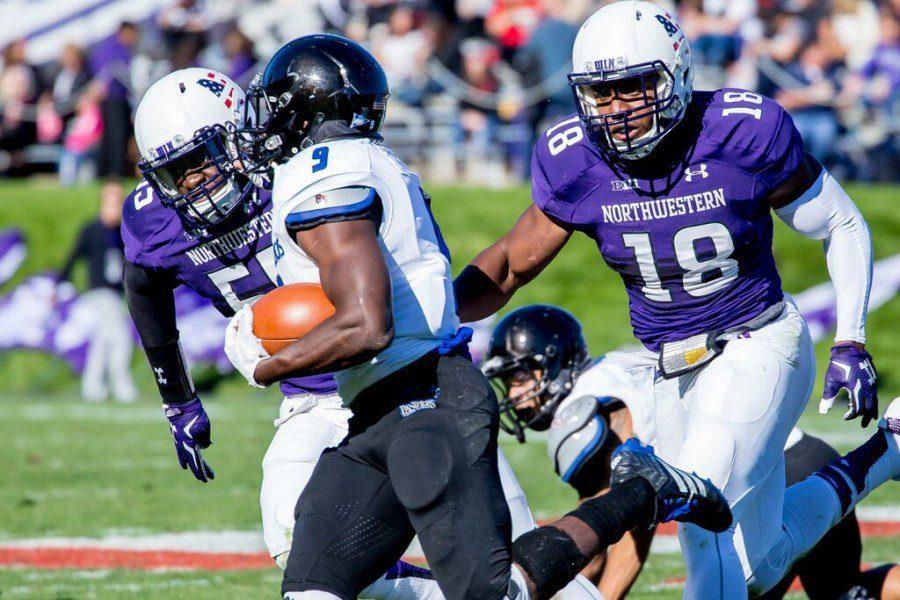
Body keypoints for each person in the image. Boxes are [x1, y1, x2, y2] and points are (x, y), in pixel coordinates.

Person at [224, 33, 732, 600]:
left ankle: (639, 492)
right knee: (313, 590)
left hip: (426, 408)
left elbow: (367, 325)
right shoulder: (365, 161)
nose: (265, 117)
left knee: (495, 596)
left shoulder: (321, 175)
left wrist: (268, 364)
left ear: (305, 109)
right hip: (374, 411)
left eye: (275, 101)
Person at [452, 2, 898, 598]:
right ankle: (886, 452)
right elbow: (508, 265)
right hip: (673, 368)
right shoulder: (575, 159)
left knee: (694, 511)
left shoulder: (741, 132)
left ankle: (543, 569)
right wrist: (426, 320)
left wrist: (851, 338)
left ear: (675, 74)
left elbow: (840, 223)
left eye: (632, 87)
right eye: (600, 93)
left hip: (757, 341)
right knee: (756, 565)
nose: (617, 109)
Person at [121, 67, 435, 599]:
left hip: (394, 373)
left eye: (200, 160)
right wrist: (179, 399)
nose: (193, 182)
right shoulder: (154, 220)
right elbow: (143, 283)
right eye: (177, 173)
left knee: (489, 550)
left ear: (237, 136)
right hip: (308, 397)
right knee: (296, 541)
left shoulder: (304, 168)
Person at [484, 304, 900, 600]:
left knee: (743, 580)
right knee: (849, 592)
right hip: (799, 454)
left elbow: (625, 526)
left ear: (554, 363)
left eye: (520, 377)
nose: (516, 395)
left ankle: (886, 451)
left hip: (770, 477)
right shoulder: (612, 371)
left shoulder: (589, 406)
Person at [58, 180, 137, 403]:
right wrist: (60, 283)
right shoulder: (92, 230)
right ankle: (120, 383)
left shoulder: (121, 232)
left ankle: (93, 386)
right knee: (120, 336)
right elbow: (73, 257)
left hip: (116, 294)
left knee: (103, 339)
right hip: (100, 294)